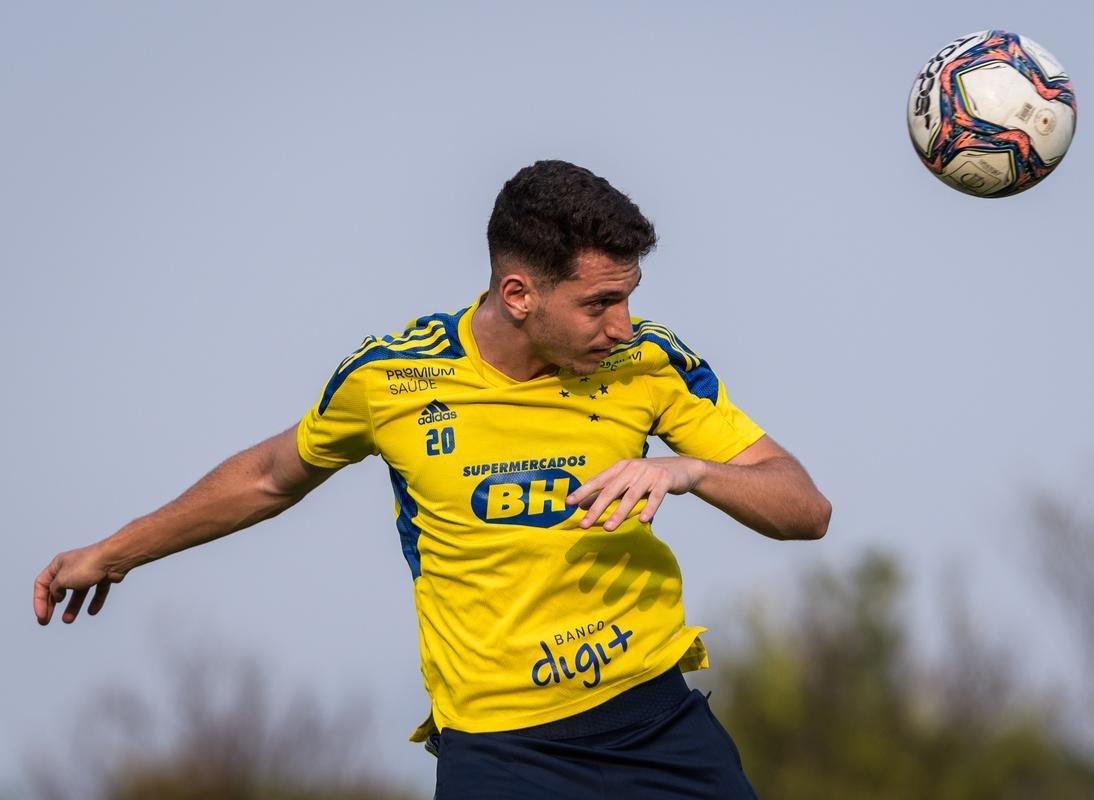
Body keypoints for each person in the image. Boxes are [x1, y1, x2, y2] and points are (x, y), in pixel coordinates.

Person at [34, 160, 831, 799]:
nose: (621, 325)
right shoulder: (391, 380)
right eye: (599, 303)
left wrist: (690, 470)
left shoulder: (649, 363)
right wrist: (115, 552)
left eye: (628, 298)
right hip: (502, 756)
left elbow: (805, 508)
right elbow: (271, 478)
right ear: (518, 295)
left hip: (657, 727)